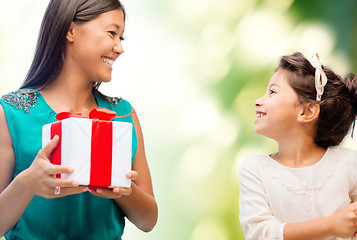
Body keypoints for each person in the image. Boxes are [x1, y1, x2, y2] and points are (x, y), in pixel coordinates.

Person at [0, 0, 158, 239]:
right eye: (112, 33)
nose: (119, 47)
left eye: (121, 38)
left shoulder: (124, 115)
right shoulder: (12, 113)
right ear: (71, 30)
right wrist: (28, 183)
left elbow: (148, 221)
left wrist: (123, 190)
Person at [239, 52, 357, 240]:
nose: (258, 100)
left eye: (272, 92)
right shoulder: (255, 170)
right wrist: (330, 225)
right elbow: (259, 234)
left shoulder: (350, 164)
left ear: (306, 111)